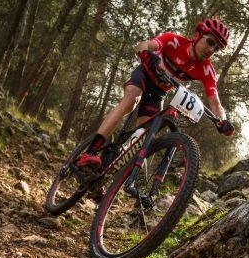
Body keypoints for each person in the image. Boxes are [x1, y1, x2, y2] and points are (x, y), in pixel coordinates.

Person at [75, 17, 235, 171]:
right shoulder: (174, 41)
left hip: (159, 92)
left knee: (144, 138)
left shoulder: (207, 70)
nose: (212, 50)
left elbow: (215, 103)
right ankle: (90, 152)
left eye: (217, 48)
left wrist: (223, 120)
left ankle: (105, 176)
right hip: (145, 74)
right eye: (211, 42)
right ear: (197, 36)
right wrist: (146, 53)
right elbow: (143, 45)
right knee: (131, 100)